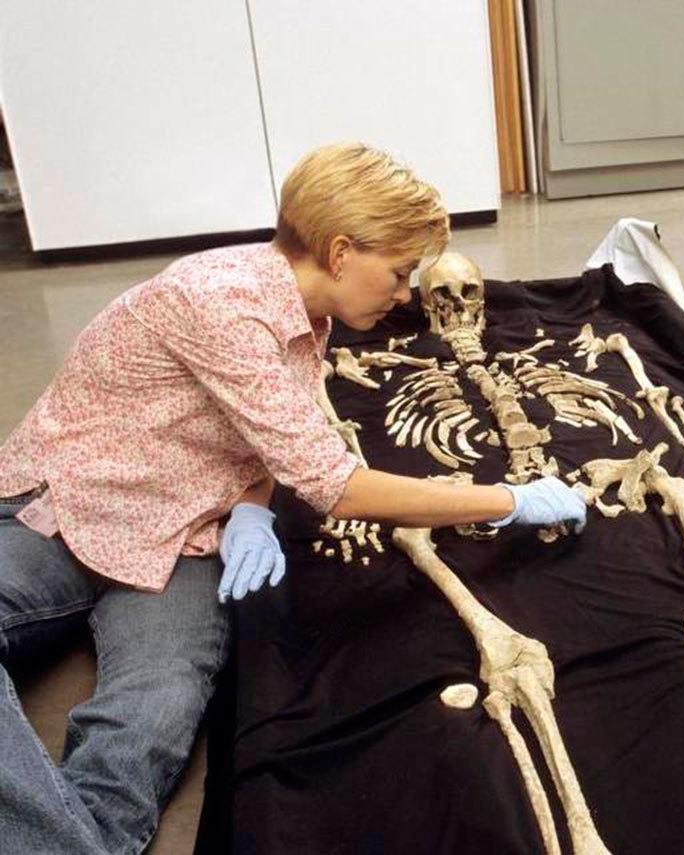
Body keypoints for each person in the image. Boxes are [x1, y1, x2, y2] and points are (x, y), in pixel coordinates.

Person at [0, 142, 586, 854]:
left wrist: (250, 502)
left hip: (183, 531)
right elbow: (335, 485)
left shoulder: (310, 317)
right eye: (400, 273)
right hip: (65, 505)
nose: (406, 295)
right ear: (341, 251)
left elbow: (273, 434)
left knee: (152, 717)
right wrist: (507, 500)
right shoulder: (219, 302)